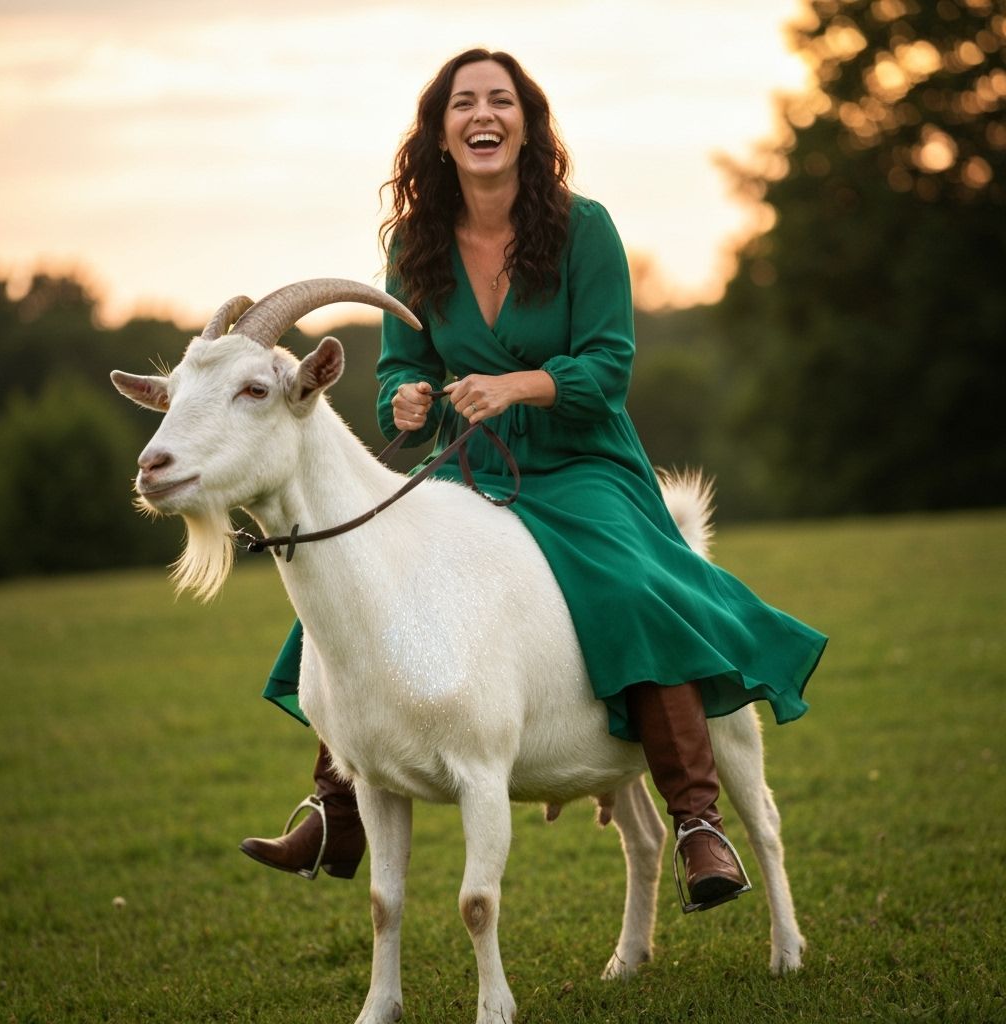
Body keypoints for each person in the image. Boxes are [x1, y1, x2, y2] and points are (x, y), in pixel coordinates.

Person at [240, 48, 827, 909]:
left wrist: (519, 384)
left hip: (583, 462)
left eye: (501, 100)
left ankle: (700, 821)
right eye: (464, 103)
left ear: (526, 124)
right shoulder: (415, 244)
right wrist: (406, 401)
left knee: (629, 589)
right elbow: (403, 366)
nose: (484, 114)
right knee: (360, 583)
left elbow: (609, 366)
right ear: (440, 134)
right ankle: (334, 804)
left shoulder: (584, 226)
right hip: (471, 471)